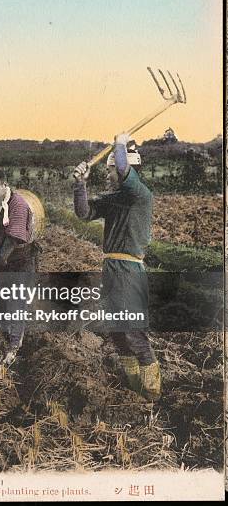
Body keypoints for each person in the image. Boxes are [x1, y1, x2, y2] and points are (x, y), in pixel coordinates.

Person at [73, 134, 161, 401]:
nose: (108, 174)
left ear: (127, 169)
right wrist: (80, 185)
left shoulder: (140, 194)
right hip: (112, 267)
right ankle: (134, 387)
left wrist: (120, 142)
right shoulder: (115, 199)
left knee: (133, 330)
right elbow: (84, 213)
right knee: (117, 331)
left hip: (129, 270)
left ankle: (152, 392)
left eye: (110, 169)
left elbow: (124, 170)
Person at [0, 168, 38, 364]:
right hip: (6, 258)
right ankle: (0, 337)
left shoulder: (18, 205)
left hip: (22, 259)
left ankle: (14, 346)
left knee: (15, 301)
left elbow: (11, 241)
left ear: (5, 185)